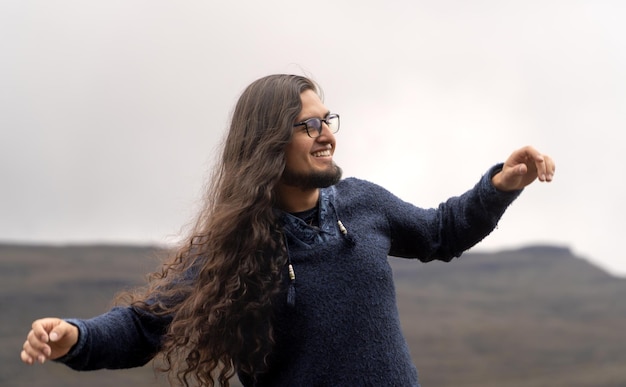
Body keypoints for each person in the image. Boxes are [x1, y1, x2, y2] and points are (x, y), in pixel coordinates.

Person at [20, 74, 556, 386]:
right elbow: (142, 327)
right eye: (309, 125)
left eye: (328, 120)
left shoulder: (363, 203)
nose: (327, 135)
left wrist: (501, 185)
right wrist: (76, 336)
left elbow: (441, 232)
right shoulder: (232, 251)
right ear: (269, 141)